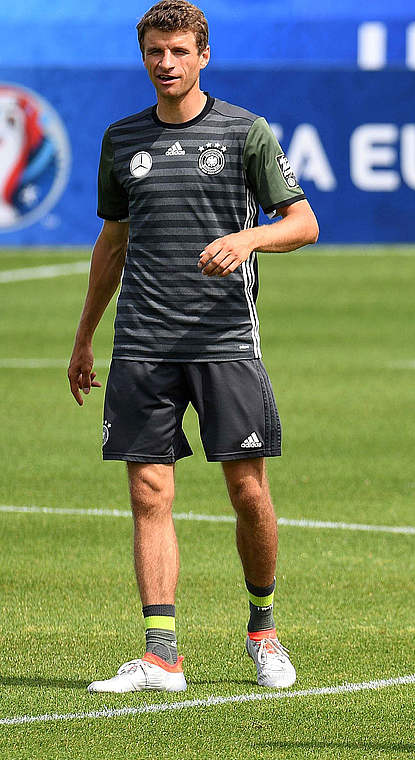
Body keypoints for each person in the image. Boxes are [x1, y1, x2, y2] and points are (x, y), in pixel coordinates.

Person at [67, 0, 318, 694]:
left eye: (180, 52)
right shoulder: (121, 141)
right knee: (149, 492)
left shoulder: (245, 133)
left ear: (203, 56)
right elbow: (112, 243)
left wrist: (249, 238)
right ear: (143, 55)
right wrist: (85, 336)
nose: (167, 64)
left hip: (224, 342)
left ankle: (263, 629)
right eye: (156, 52)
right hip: (142, 344)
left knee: (246, 490)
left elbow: (303, 222)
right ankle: (161, 654)